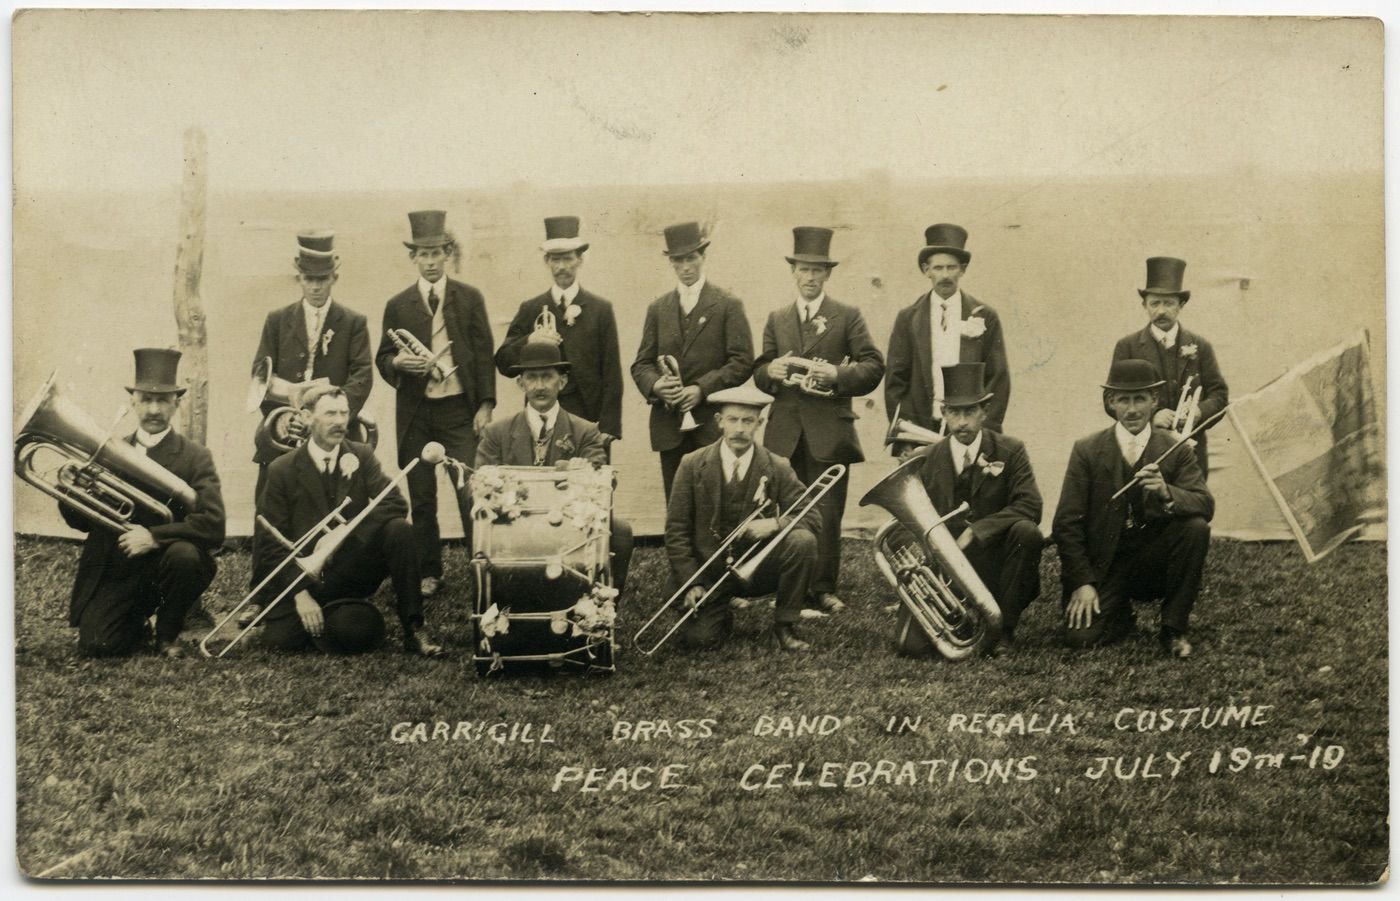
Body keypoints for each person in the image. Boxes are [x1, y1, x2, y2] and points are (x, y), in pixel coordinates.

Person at [58, 348, 225, 658]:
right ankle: (136, 624)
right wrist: (71, 489)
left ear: (176, 403)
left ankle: (167, 635)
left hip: (166, 564)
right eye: (146, 400)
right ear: (133, 402)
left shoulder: (195, 457)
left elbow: (214, 525)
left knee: (186, 556)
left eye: (162, 400)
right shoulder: (110, 452)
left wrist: (154, 537)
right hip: (119, 567)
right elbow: (79, 522)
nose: (154, 410)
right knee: (99, 646)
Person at [752, 226, 885, 614]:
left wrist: (837, 376)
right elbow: (760, 370)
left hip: (829, 431)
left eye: (817, 271)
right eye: (803, 270)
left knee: (827, 511)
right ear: (793, 272)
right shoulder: (777, 318)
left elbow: (874, 366)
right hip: (784, 432)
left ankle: (823, 587)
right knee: (784, 509)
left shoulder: (848, 315)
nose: (809, 277)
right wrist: (770, 371)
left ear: (827, 274)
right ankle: (785, 584)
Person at [256, 385, 444, 656]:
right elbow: (270, 542)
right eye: (330, 413)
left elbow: (395, 503)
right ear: (307, 417)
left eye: (344, 413)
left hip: (348, 568)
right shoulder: (281, 468)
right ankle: (336, 615)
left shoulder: (360, 454)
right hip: (303, 575)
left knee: (399, 529)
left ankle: (414, 629)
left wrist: (343, 532)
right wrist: (301, 594)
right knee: (281, 640)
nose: (340, 421)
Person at [245, 230, 373, 622]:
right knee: (268, 504)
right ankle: (262, 593)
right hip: (288, 428)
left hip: (332, 428)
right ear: (298, 278)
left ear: (335, 278)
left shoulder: (353, 322)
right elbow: (260, 372)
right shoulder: (277, 319)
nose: (315, 287)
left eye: (322, 279)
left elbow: (362, 375)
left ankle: (336, 587)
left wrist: (327, 409)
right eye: (308, 279)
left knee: (339, 505)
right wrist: (292, 408)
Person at [1052, 359, 1214, 658]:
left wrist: (1167, 492)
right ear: (1110, 402)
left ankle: (1173, 628)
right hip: (1105, 564)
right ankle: (1120, 616)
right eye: (1123, 400)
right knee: (1081, 638)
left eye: (1139, 399)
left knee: (1196, 528)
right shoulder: (1087, 449)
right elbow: (1065, 523)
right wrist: (1083, 582)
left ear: (1155, 400)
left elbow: (1205, 503)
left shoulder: (1175, 447)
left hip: (1153, 562)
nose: (1132, 410)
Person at [376, 210, 496, 599]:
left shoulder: (469, 297)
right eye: (423, 254)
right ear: (413, 257)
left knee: (470, 490)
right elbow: (382, 357)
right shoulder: (398, 304)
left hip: (458, 410)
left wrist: (485, 405)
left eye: (436, 253)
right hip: (416, 413)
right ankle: (429, 571)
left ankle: (481, 564)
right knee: (422, 497)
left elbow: (484, 353)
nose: (430, 262)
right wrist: (398, 363)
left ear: (447, 253)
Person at [663, 383, 820, 652]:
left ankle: (784, 626)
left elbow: (812, 516)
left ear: (760, 423)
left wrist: (775, 524)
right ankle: (719, 609)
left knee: (802, 540)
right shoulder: (691, 463)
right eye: (732, 420)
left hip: (759, 569)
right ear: (719, 421)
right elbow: (676, 530)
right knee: (701, 641)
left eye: (748, 421)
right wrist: (692, 582)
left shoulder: (777, 465)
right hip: (709, 572)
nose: (739, 428)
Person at [899, 363, 1042, 655]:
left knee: (1027, 532)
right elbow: (903, 522)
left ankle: (1004, 630)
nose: (962, 422)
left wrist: (977, 532)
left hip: (996, 562)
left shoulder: (1011, 449)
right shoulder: (925, 457)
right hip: (943, 567)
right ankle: (957, 617)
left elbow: (1031, 504)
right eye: (954, 412)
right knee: (912, 647)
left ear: (984, 411)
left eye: (969, 412)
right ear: (943, 413)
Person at [476, 340, 633, 590]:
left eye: (547, 377)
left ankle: (599, 603)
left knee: (621, 532)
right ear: (520, 383)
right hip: (514, 528)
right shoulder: (497, 433)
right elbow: (480, 486)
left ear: (562, 381)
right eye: (532, 377)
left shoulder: (585, 431)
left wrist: (582, 472)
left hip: (569, 528)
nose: (540, 386)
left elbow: (602, 484)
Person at [631, 221, 754, 500]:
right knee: (676, 502)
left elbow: (742, 361)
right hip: (670, 426)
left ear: (703, 257)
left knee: (713, 501)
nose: (686, 267)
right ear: (671, 263)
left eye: (691, 258)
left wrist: (701, 389)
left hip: (712, 425)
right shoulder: (658, 308)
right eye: (678, 261)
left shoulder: (727, 304)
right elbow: (641, 364)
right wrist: (656, 386)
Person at [494, 216, 624, 443]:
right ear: (547, 261)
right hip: (541, 414)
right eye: (555, 259)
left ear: (580, 260)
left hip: (588, 415)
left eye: (568, 258)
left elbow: (611, 372)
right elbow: (504, 362)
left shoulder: (600, 309)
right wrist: (530, 340)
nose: (562, 266)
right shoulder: (531, 308)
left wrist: (608, 427)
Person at [885, 223, 1010, 446]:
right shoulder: (908, 318)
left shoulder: (985, 316)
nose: (945, 275)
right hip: (921, 428)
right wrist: (906, 436)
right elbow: (896, 381)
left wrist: (984, 432)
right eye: (938, 268)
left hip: (970, 428)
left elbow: (998, 379)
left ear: (963, 270)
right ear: (926, 270)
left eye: (951, 268)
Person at [1111, 256, 1228, 479]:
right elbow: (1111, 399)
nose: (1161, 311)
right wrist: (1150, 416)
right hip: (1143, 452)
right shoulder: (1127, 346)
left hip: (1191, 453)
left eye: (1168, 303)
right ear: (1144, 305)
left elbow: (1220, 396)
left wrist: (1198, 412)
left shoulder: (1200, 346)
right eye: (1155, 303)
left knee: (1190, 499)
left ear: (1181, 305)